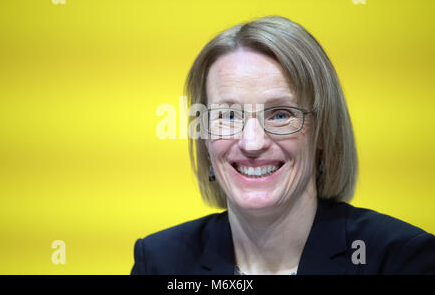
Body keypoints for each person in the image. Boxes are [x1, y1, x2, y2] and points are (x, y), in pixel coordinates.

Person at [131, 16, 435, 275]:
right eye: (228, 115)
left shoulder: (399, 259)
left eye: (280, 114)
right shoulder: (162, 263)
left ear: (323, 133)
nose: (252, 143)